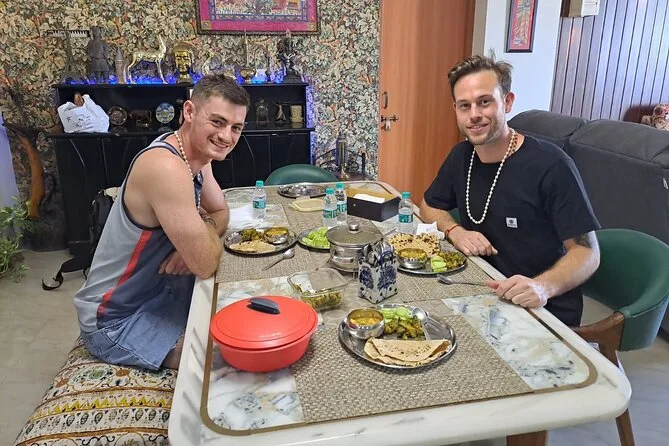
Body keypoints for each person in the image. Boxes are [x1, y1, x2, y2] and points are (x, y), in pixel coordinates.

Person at [74, 74, 250, 370]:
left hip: (163, 293)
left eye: (236, 127)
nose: (226, 137)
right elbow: (205, 262)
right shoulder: (165, 166)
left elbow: (220, 211)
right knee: (225, 362)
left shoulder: (198, 156)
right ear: (189, 112)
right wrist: (198, 243)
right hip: (116, 321)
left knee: (249, 318)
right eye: (217, 122)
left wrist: (195, 239)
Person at [420, 54, 600, 327]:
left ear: (507, 101)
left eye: (484, 102)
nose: (474, 115)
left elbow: (588, 254)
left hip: (541, 310)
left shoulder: (551, 165)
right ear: (455, 109)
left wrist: (542, 287)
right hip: (479, 290)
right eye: (465, 106)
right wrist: (455, 231)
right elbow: (429, 205)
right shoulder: (461, 156)